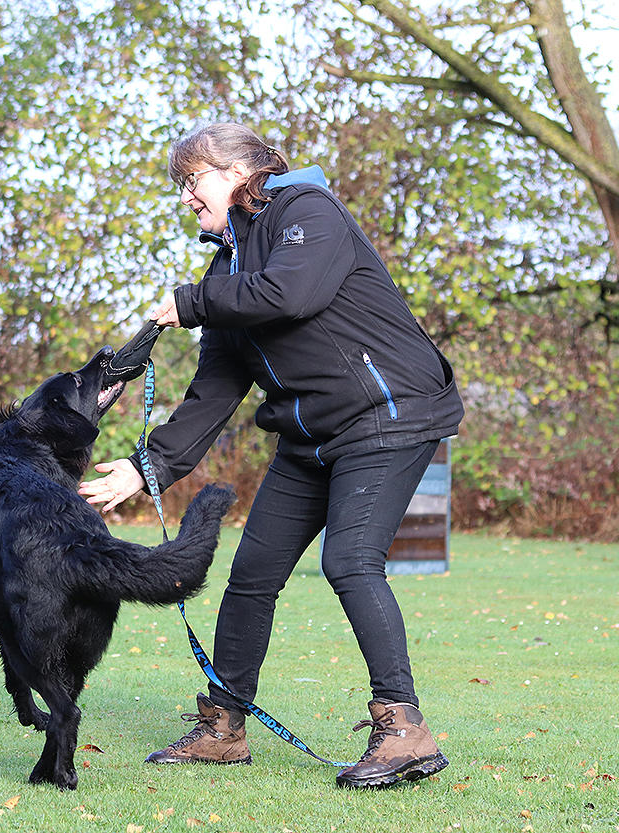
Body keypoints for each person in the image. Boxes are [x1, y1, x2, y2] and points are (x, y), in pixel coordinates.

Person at [78, 122, 464, 789]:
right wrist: (147, 467)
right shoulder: (225, 267)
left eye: (191, 180)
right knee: (252, 574)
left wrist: (191, 303)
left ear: (236, 172)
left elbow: (291, 292)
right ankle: (224, 728)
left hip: (389, 414)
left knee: (349, 559)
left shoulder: (307, 211)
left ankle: (405, 728)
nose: (185, 198)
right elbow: (215, 389)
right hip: (309, 436)